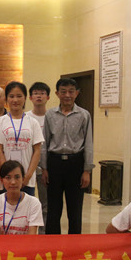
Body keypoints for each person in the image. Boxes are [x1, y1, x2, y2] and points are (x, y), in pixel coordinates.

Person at [41, 78, 94, 234]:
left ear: (77, 93)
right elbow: (45, 142)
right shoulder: (50, 114)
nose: (67, 95)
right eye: (63, 91)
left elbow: (88, 143)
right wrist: (44, 168)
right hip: (54, 163)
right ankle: (52, 243)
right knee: (53, 209)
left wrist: (87, 170)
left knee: (75, 209)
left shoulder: (84, 115)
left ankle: (74, 243)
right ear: (57, 93)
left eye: (71, 91)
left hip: (76, 163)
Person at [0, 81, 43, 197]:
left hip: (27, 178)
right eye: (11, 96)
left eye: (19, 96)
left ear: (25, 98)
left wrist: (27, 176)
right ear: (6, 99)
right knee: (6, 206)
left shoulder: (33, 122)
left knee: (26, 206)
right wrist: (7, 175)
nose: (15, 100)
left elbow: (37, 151)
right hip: (6, 178)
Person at [0, 160, 43, 235]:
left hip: (25, 242)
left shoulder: (33, 203)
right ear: (1, 180)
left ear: (23, 179)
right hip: (1, 242)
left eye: (17, 177)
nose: (13, 182)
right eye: (8, 178)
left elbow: (31, 235)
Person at [28, 81, 51, 232]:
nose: (39, 96)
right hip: (28, 165)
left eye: (42, 93)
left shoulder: (52, 117)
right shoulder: (26, 117)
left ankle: (43, 234)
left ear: (48, 97)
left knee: (45, 203)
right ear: (30, 97)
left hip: (46, 167)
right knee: (27, 201)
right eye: (35, 93)